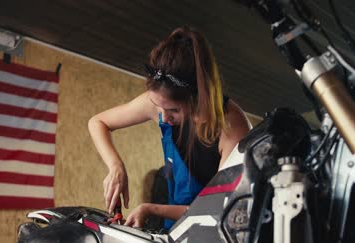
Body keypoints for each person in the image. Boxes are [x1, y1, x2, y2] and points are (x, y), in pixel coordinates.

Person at [88, 26, 251, 229]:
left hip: (215, 232)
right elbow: (98, 122)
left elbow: (219, 207)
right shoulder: (160, 107)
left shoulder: (231, 127)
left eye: (173, 110)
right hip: (174, 226)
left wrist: (151, 209)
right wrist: (115, 167)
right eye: (157, 107)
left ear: (198, 98)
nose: (163, 117)